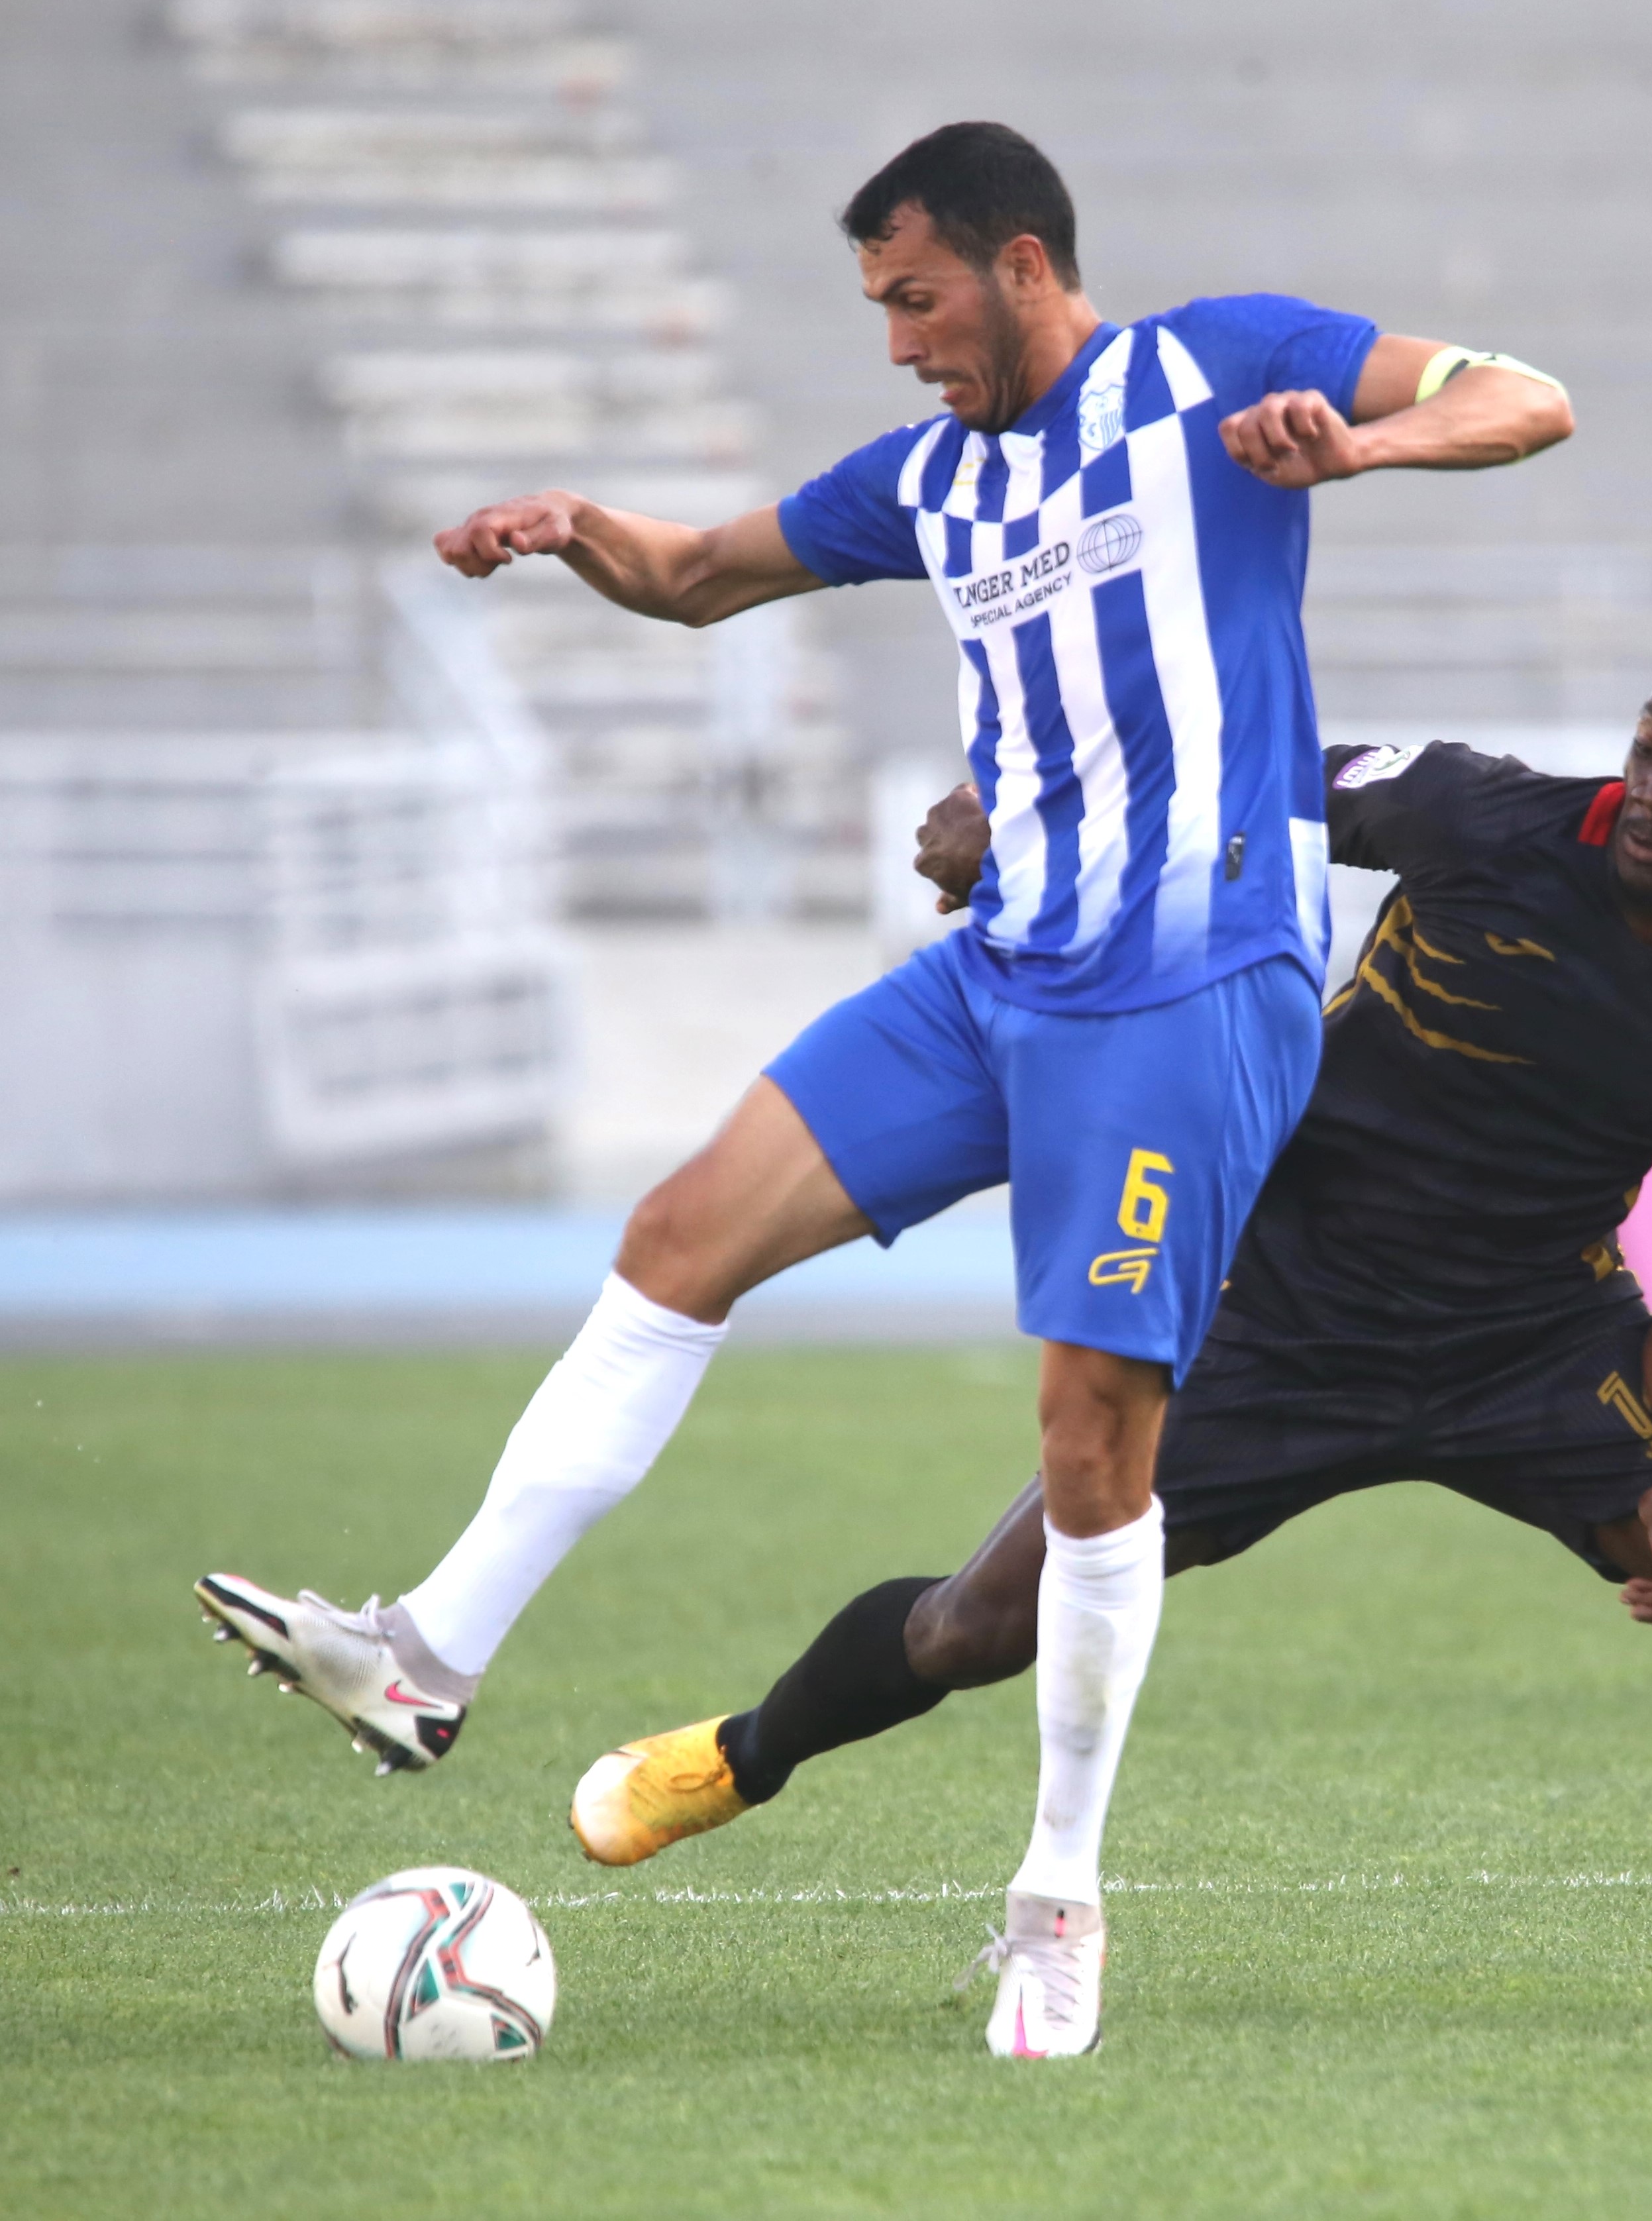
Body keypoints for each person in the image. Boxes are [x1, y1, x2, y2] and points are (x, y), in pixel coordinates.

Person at [189, 120, 1575, 2059]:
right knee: (680, 1235)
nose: (900, 344)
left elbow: (1525, 399)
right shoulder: (927, 480)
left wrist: (1364, 444)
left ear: (1021, 264)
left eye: (914, 300)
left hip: (1190, 988)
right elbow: (691, 577)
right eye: (877, 311)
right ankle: (428, 1653)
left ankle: (1055, 1900)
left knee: (1091, 1447)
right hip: (1002, 972)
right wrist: (573, 527)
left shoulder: (1216, 364)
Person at [566, 629, 1652, 2038]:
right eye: (1651, 748)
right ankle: (736, 1757)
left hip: (1533, 1339)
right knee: (974, 1623)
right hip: (1287, 1308)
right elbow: (1230, 768)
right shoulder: (1481, 814)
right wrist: (1014, 816)